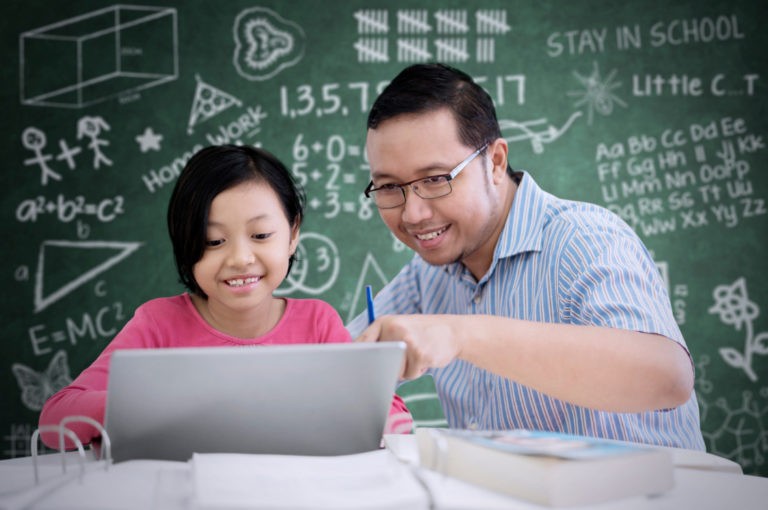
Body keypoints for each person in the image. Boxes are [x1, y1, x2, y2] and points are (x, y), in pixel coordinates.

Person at [348, 63, 705, 450]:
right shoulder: (428, 274)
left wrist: (459, 333)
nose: (412, 214)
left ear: (496, 163)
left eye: (436, 179)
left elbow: (667, 379)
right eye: (388, 187)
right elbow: (337, 368)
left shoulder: (585, 238)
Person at [40, 144, 411, 448]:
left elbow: (395, 417)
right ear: (186, 245)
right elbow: (56, 421)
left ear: (293, 233)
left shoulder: (317, 323)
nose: (239, 259)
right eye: (213, 241)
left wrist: (369, 413)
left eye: (261, 235)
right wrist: (151, 404)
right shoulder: (158, 324)